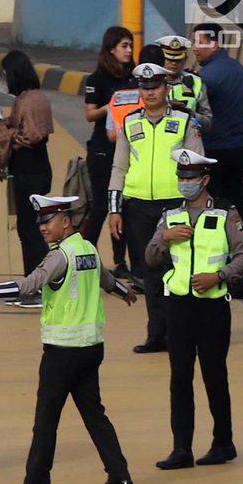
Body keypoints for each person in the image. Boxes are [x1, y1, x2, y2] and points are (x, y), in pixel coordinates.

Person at [0, 195, 138, 484]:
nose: (42, 228)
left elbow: (32, 283)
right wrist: (124, 292)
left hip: (63, 351)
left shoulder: (59, 256)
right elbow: (106, 279)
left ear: (66, 221)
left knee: (46, 420)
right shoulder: (88, 248)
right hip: (91, 346)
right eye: (40, 223)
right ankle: (120, 476)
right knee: (94, 415)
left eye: (47, 221)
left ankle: (37, 481)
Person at [145, 149, 243, 470]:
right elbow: (150, 257)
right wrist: (164, 236)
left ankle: (223, 442)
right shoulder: (169, 216)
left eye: (189, 178)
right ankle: (181, 449)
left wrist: (218, 276)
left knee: (214, 376)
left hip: (213, 306)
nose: (184, 183)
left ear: (204, 180)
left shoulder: (226, 215)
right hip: (179, 308)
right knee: (180, 378)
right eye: (180, 177)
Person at [107, 62, 203, 354]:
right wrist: (114, 209)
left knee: (180, 269)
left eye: (155, 87)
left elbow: (197, 164)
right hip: (139, 207)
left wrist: (195, 207)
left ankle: (184, 335)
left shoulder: (186, 122)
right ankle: (156, 335)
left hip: (176, 206)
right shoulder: (131, 123)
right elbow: (119, 167)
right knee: (149, 272)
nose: (149, 93)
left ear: (166, 88)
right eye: (144, 88)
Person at [0, 50, 54, 308]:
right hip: (41, 168)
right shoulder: (39, 97)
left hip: (27, 170)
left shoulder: (24, 100)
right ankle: (34, 285)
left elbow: (30, 135)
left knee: (29, 231)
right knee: (33, 229)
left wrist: (7, 132)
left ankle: (35, 288)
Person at [82, 27, 135, 279]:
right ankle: (84, 255)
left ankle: (120, 261)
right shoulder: (97, 79)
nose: (128, 50)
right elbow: (90, 114)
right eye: (124, 45)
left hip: (130, 149)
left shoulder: (135, 78)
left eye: (130, 46)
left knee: (123, 207)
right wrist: (112, 106)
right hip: (103, 151)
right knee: (103, 206)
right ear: (111, 48)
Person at [192, 23, 243, 220]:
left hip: (214, 151)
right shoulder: (240, 71)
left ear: (214, 44)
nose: (194, 48)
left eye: (200, 42)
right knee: (235, 199)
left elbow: (195, 114)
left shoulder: (205, 78)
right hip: (239, 150)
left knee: (215, 205)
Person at [154, 35, 212, 132]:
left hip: (189, 140)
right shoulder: (151, 82)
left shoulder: (196, 82)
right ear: (161, 59)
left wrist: (189, 113)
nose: (174, 64)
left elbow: (208, 123)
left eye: (178, 60)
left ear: (185, 59)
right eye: (170, 59)